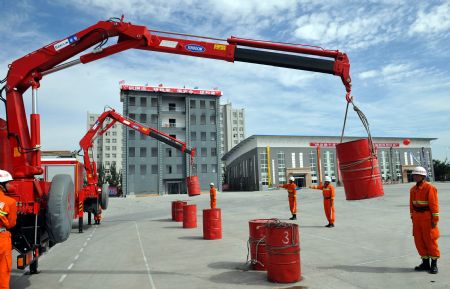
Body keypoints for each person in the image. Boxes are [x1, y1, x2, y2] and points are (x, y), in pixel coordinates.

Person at [410, 166, 440, 274]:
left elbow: (434, 204)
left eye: (417, 175)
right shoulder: (413, 189)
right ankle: (425, 263)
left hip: (427, 218)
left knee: (430, 241)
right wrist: (412, 216)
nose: (415, 177)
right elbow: (411, 205)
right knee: (419, 241)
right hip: (417, 219)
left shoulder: (429, 188)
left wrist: (435, 218)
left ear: (423, 176)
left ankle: (434, 264)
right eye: (414, 175)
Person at [0, 170, 17, 289]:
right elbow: (11, 224)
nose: (10, 186)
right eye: (8, 183)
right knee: (3, 270)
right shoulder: (10, 202)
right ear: (2, 185)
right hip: (2, 238)